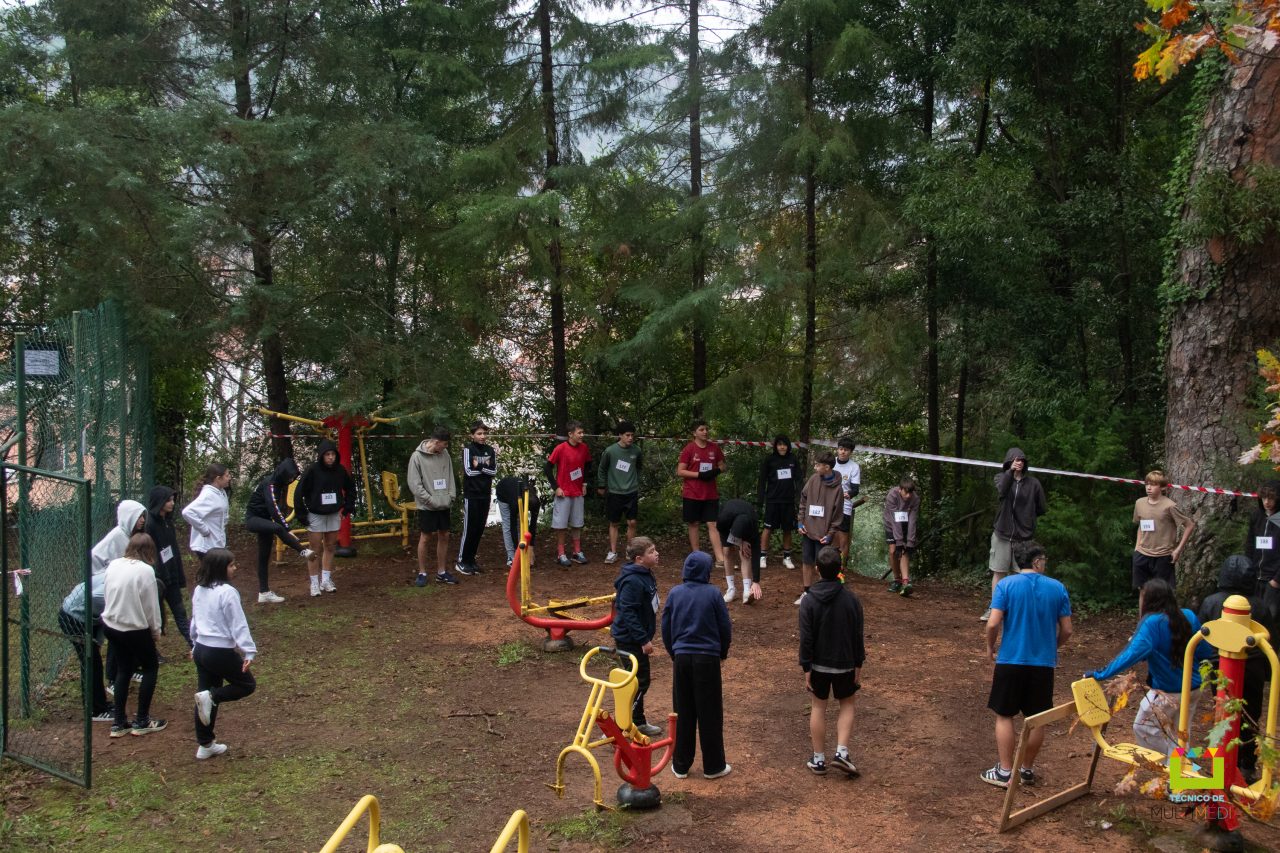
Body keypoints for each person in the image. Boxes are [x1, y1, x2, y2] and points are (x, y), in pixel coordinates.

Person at [1087, 579, 1213, 760]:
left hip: (1168, 693)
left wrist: (1100, 674)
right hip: (1193, 689)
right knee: (1180, 735)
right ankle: (1179, 773)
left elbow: (1130, 655)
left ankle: (1171, 763)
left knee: (1143, 727)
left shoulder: (1152, 623)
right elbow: (1204, 651)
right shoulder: (1188, 616)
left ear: (1148, 600)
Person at [982, 541, 1072, 788]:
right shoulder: (1057, 588)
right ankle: (1026, 770)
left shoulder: (1006, 585)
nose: (1045, 564)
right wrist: (1052, 646)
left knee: (1004, 715)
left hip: (1010, 660)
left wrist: (990, 647)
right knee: (1037, 718)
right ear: (1036, 561)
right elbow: (1067, 630)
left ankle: (1004, 772)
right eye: (1044, 560)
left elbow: (993, 623)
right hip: (1043, 664)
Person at [662, 551, 732, 780]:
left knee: (682, 710)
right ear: (706, 571)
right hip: (707, 658)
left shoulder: (675, 593)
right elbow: (724, 626)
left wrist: (674, 652)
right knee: (710, 711)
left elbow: (666, 626)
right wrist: (722, 652)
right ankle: (714, 766)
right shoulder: (713, 593)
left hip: (682, 657)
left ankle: (681, 765)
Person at [1198, 555, 1270, 782]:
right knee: (1250, 715)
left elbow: (1201, 637)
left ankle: (1223, 762)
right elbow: (1271, 641)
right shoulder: (1260, 606)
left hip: (1219, 666)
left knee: (1223, 713)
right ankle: (1246, 764)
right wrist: (1267, 672)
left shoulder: (1210, 602)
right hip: (1253, 666)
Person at [799, 546, 865, 776]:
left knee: (818, 706)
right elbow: (857, 634)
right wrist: (858, 664)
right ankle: (842, 753)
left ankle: (818, 760)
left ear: (817, 569)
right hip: (845, 663)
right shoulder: (852, 600)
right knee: (847, 704)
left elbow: (806, 637)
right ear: (840, 570)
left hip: (818, 664)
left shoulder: (808, 600)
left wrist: (806, 666)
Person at [190, 548, 258, 760]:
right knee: (246, 685)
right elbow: (238, 623)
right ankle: (212, 697)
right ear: (220, 568)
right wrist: (249, 650)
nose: (235, 568)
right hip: (218, 651)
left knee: (204, 697)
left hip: (201, 649)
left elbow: (195, 619)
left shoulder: (200, 589)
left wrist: (194, 643)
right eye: (231, 565)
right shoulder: (227, 592)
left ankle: (205, 744)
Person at [102, 533, 166, 737]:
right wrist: (155, 631)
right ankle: (142, 720)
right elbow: (151, 606)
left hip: (111, 625)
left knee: (124, 669)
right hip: (134, 629)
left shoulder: (114, 564)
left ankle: (119, 722)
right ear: (149, 551)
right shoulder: (146, 571)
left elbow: (106, 592)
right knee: (150, 667)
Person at [983, 447, 1047, 621]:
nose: (1019, 463)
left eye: (1022, 460)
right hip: (1002, 534)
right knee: (999, 572)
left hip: (1024, 538)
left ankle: (1018, 610)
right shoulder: (1001, 478)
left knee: (1023, 575)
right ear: (1009, 462)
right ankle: (995, 608)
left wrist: (1028, 519)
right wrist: (1010, 472)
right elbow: (1002, 491)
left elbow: (1041, 508)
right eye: (1015, 460)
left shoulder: (1034, 484)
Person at [611, 537, 662, 737]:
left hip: (637, 637)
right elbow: (628, 613)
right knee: (639, 682)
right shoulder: (632, 581)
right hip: (630, 640)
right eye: (651, 552)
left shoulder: (646, 573)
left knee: (638, 681)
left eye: (655, 550)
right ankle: (622, 725)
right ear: (639, 559)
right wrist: (643, 639)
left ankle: (637, 721)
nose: (656, 554)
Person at [244, 457, 313, 603]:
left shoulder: (279, 484)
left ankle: (264, 592)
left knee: (264, 557)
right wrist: (287, 528)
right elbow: (273, 509)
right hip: (253, 519)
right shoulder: (270, 484)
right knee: (277, 527)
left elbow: (274, 510)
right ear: (283, 473)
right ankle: (303, 551)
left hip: (265, 520)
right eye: (290, 477)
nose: (291, 480)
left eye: (293, 477)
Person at [296, 438, 356, 597]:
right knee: (314, 549)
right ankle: (314, 583)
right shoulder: (312, 470)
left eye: (333, 454)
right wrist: (301, 514)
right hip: (316, 515)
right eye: (327, 454)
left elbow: (351, 488)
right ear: (321, 455)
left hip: (333, 514)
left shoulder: (340, 471)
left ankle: (326, 580)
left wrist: (347, 507)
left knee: (330, 547)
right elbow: (299, 492)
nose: (330, 457)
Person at [58, 573, 112, 722]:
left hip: (86, 617)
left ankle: (99, 704)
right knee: (91, 662)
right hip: (73, 617)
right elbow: (103, 609)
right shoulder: (106, 591)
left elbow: (104, 616)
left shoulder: (115, 576)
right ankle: (95, 710)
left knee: (93, 661)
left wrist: (97, 641)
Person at [408, 428, 459, 586]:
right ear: (436, 442)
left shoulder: (445, 454)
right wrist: (429, 500)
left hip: (444, 503)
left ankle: (441, 572)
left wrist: (451, 496)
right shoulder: (417, 457)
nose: (445, 447)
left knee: (444, 535)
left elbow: (450, 476)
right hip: (427, 506)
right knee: (425, 537)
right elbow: (414, 484)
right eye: (444, 444)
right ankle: (422, 573)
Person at [1131, 470, 1195, 593]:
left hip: (1163, 557)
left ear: (1162, 487)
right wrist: (1137, 547)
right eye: (1147, 484)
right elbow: (1141, 525)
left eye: (1153, 485)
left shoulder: (1169, 506)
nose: (1149, 487)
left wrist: (1177, 550)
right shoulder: (1139, 503)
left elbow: (1189, 525)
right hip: (1142, 555)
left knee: (1162, 594)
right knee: (1143, 591)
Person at [145, 485, 192, 653]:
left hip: (171, 576)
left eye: (172, 500)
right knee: (153, 618)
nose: (172, 503)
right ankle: (152, 652)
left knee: (180, 611)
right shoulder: (149, 525)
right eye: (168, 500)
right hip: (156, 579)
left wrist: (177, 574)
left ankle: (194, 644)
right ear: (160, 502)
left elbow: (173, 551)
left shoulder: (168, 522)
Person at [676, 421, 727, 571]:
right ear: (694, 433)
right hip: (692, 493)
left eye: (706, 429)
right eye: (701, 429)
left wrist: (716, 471)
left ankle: (720, 558)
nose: (705, 432)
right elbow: (680, 471)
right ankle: (696, 555)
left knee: (713, 524)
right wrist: (699, 475)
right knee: (694, 523)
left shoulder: (714, 448)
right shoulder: (689, 449)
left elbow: (723, 465)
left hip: (710, 494)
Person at [796, 451, 844, 605]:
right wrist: (800, 522)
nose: (815, 467)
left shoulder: (838, 489)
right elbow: (803, 499)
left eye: (818, 465)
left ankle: (823, 595)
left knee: (822, 566)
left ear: (827, 467)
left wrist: (830, 534)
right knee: (807, 561)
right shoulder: (813, 479)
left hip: (823, 536)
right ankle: (806, 592)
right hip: (808, 530)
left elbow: (837, 515)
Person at [545, 421, 591, 567]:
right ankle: (561, 553)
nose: (582, 435)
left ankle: (577, 551)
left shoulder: (584, 448)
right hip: (563, 492)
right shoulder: (560, 448)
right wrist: (556, 487)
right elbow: (548, 468)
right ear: (570, 434)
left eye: (583, 432)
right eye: (579, 433)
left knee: (577, 524)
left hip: (577, 492)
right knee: (561, 525)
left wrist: (584, 483)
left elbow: (588, 465)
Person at [597, 421, 643, 564]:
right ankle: (612, 552)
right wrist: (601, 485)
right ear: (620, 435)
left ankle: (630, 551)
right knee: (614, 523)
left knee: (632, 522)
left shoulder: (636, 450)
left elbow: (639, 467)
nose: (630, 438)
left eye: (632, 435)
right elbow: (602, 469)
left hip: (631, 491)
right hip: (615, 492)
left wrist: (636, 481)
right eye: (627, 435)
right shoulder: (610, 451)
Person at [457, 420, 497, 576]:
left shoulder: (490, 450)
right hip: (472, 495)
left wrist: (479, 466)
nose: (482, 436)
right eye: (479, 434)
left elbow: (493, 472)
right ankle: (462, 561)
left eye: (484, 433)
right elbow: (469, 472)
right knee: (470, 528)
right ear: (472, 435)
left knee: (479, 528)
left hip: (485, 495)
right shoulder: (468, 450)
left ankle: (471, 560)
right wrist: (484, 469)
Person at [758, 434, 800, 572]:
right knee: (768, 528)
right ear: (776, 446)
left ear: (788, 446)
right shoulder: (770, 460)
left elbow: (799, 480)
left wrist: (799, 498)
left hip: (788, 501)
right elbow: (762, 480)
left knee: (787, 529)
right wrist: (760, 499)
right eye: (779, 444)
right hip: (772, 500)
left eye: (785, 444)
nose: (782, 447)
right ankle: (762, 556)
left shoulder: (793, 459)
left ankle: (787, 557)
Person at [1243, 480, 1280, 620]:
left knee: (1270, 618)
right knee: (1251, 616)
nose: (1267, 502)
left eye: (1271, 498)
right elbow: (1249, 545)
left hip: (1273, 580)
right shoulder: (1257, 516)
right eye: (1264, 498)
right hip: (1255, 577)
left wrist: (1276, 580)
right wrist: (1248, 570)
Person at [716, 498, 762, 605]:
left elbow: (756, 553)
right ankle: (731, 589)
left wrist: (756, 581)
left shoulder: (753, 525)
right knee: (727, 551)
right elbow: (720, 529)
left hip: (744, 520)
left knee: (745, 552)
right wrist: (739, 542)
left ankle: (747, 590)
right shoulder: (723, 520)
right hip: (726, 525)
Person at [182, 463, 232, 560]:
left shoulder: (221, 492)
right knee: (213, 570)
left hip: (216, 544)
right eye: (227, 475)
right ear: (218, 478)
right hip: (207, 547)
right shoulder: (209, 494)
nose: (229, 478)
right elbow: (187, 512)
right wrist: (204, 530)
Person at [883, 477, 919, 596]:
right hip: (891, 524)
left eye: (910, 493)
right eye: (906, 492)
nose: (908, 496)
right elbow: (895, 520)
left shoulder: (915, 499)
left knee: (905, 550)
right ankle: (897, 580)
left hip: (905, 525)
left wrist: (910, 542)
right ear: (900, 489)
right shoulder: (892, 495)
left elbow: (912, 520)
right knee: (893, 551)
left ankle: (905, 582)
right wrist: (898, 541)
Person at [91, 499, 147, 575]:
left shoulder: (127, 534)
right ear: (128, 517)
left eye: (143, 516)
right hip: (101, 575)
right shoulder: (119, 535)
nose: (143, 520)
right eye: (139, 516)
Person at [495, 475, 541, 568]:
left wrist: (531, 547)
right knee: (508, 523)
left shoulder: (536, 502)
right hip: (503, 491)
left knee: (522, 523)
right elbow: (513, 526)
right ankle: (511, 557)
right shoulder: (515, 503)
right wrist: (518, 550)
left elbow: (533, 525)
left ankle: (524, 552)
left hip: (516, 493)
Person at [833, 437, 861, 568]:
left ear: (850, 452)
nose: (843, 452)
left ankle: (841, 568)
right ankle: (828, 566)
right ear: (837, 449)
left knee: (843, 537)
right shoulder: (831, 462)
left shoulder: (854, 467)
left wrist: (847, 494)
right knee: (830, 535)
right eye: (841, 449)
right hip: (829, 504)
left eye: (846, 450)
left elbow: (855, 490)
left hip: (844, 505)